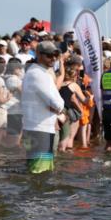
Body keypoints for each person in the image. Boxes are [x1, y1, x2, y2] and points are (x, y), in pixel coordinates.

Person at [21, 41, 65, 173]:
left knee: (37, 171)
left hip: (35, 129)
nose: (53, 58)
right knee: (40, 173)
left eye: (56, 55)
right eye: (49, 55)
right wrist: (59, 107)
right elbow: (57, 104)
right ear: (38, 55)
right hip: (40, 131)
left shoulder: (35, 72)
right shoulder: (39, 74)